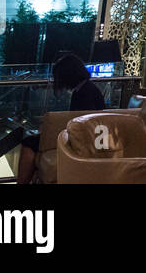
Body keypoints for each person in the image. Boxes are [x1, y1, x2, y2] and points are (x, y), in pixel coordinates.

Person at [16, 53, 106, 183]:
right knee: (32, 142)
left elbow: (82, 123)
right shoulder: (85, 89)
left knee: (28, 143)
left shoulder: (85, 93)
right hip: (82, 138)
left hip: (82, 140)